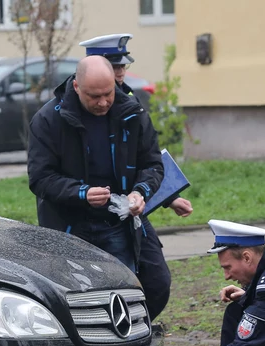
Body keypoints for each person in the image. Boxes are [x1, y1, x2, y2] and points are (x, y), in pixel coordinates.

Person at [28, 56, 170, 319]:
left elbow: (152, 164)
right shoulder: (48, 119)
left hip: (119, 221)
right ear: (77, 86)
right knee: (81, 299)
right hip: (69, 226)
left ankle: (131, 340)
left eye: (108, 94)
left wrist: (140, 192)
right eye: (94, 96)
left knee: (147, 287)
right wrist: (81, 193)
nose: (103, 102)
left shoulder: (131, 111)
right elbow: (40, 178)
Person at [76, 33, 193, 319]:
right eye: (113, 68)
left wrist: (168, 197)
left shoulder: (130, 103)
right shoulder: (67, 112)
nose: (119, 74)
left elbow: (148, 158)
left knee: (156, 281)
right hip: (86, 218)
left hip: (132, 211)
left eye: (121, 68)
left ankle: (137, 330)